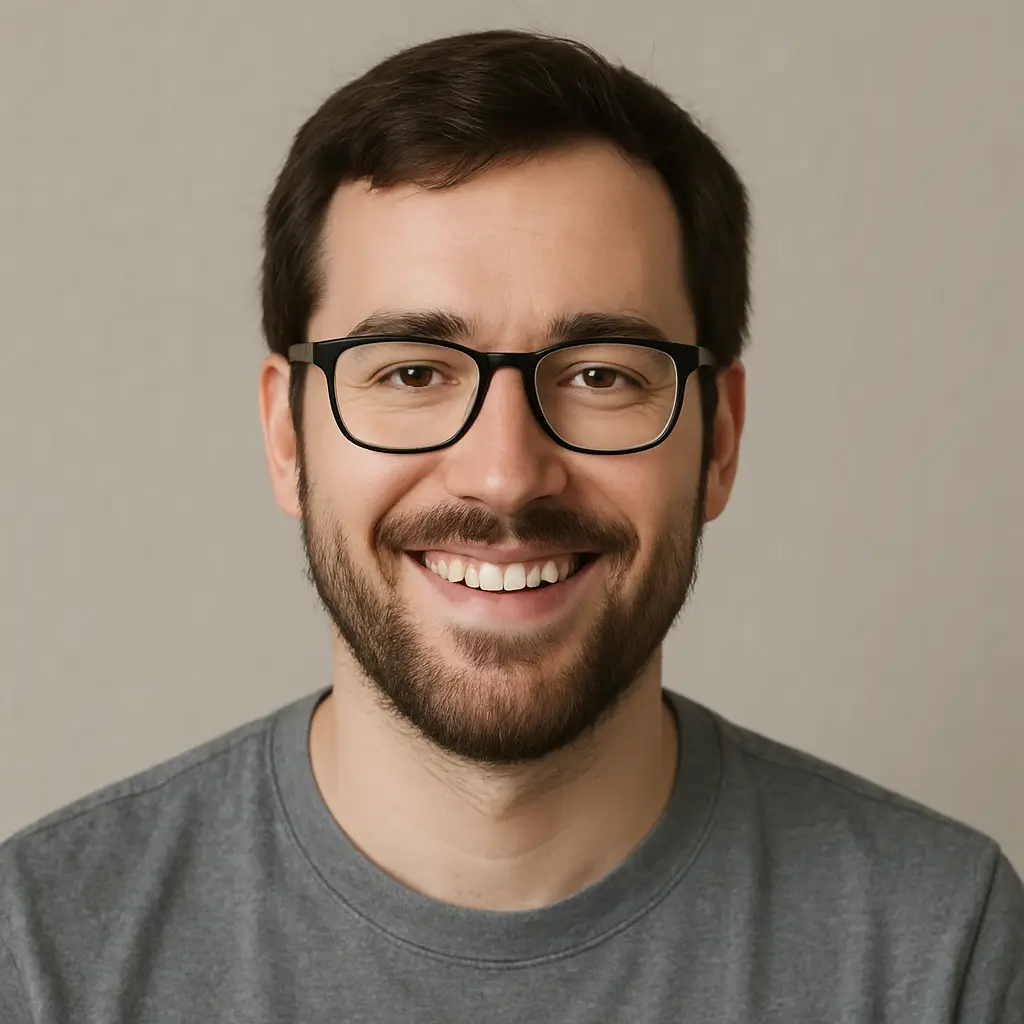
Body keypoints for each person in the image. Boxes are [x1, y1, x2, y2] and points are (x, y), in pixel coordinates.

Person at [1, 27, 1021, 1023]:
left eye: (600, 376)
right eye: (410, 371)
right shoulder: (43, 951)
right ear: (287, 435)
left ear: (718, 440)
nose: (503, 474)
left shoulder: (938, 948)